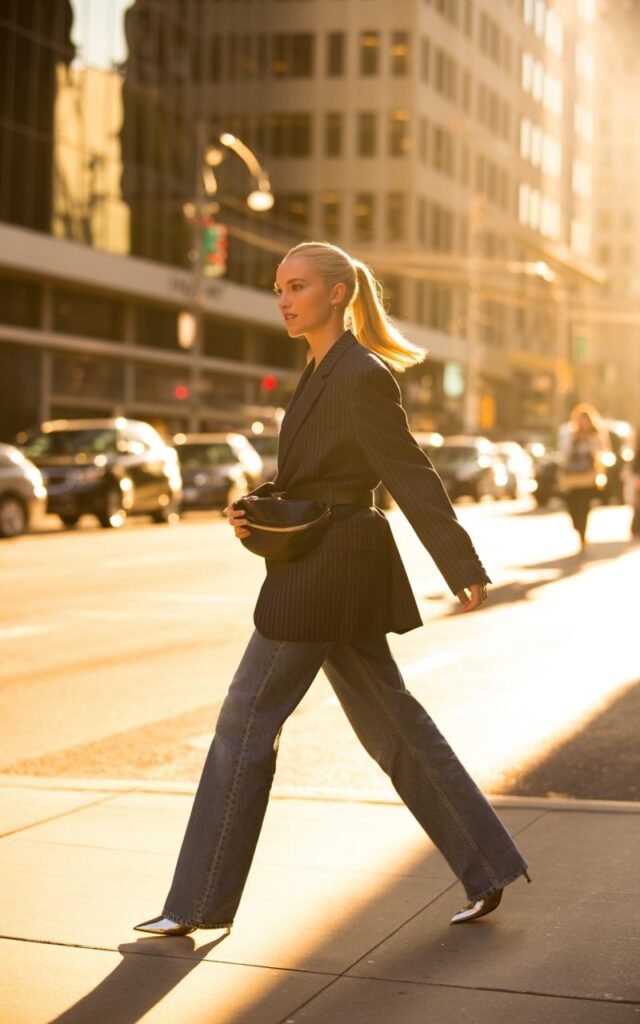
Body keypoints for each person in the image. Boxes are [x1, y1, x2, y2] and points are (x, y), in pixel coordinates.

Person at [135, 241, 529, 938]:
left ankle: (195, 903)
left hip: (326, 574)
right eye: (279, 287)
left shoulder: (359, 374)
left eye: (299, 286)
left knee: (244, 721)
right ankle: (487, 867)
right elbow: (316, 477)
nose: (285, 299)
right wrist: (257, 504)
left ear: (339, 293)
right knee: (392, 723)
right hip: (328, 567)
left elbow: (407, 472)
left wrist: (461, 563)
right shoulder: (321, 368)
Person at [558, 403, 609, 551]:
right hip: (572, 477)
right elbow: (564, 455)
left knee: (584, 507)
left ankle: (583, 535)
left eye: (586, 420)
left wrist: (591, 442)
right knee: (573, 507)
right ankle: (578, 527)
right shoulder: (570, 434)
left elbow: (602, 454)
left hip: (588, 478)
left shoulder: (596, 435)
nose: (584, 423)